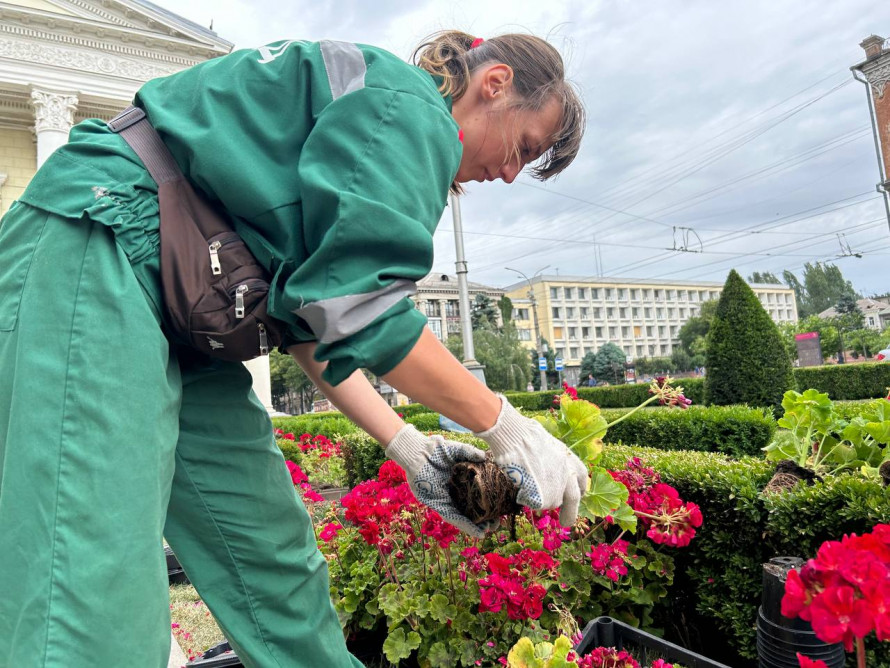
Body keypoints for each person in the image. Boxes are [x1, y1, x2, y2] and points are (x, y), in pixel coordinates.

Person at [0, 31, 587, 667]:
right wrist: (507, 425)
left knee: (271, 562)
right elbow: (366, 310)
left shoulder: (383, 120)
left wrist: (407, 447)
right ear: (494, 84)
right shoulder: (411, 108)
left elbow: (315, 324)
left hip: (181, 304)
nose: (507, 173)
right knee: (89, 588)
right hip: (99, 241)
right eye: (522, 148)